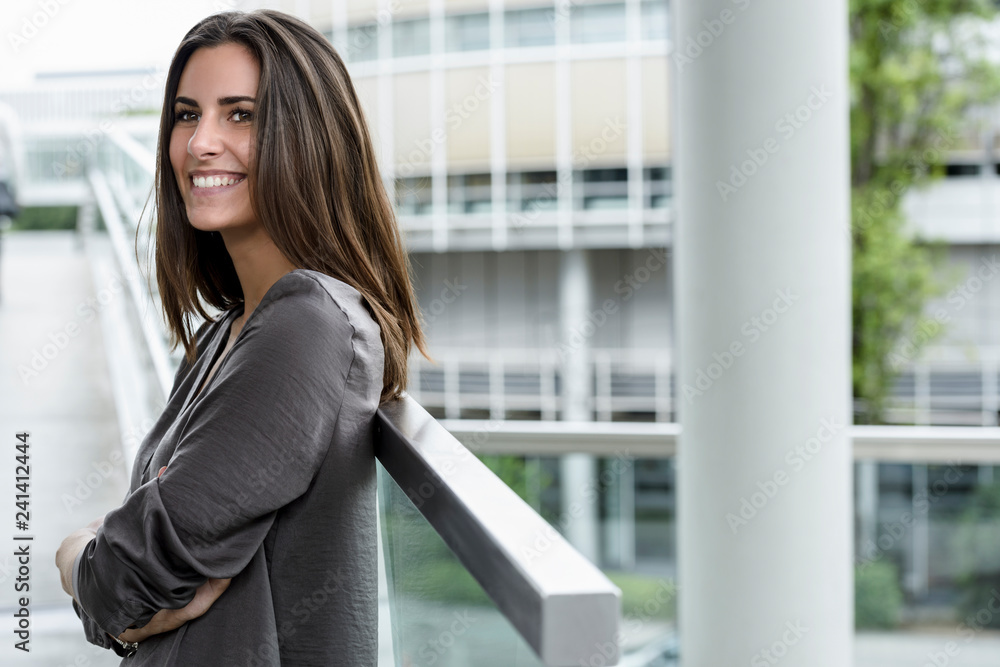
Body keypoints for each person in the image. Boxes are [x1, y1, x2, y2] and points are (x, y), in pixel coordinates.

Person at [54, 9, 431, 665]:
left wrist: (73, 556)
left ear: (309, 138)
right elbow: (133, 575)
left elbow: (129, 570)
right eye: (186, 113)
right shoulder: (229, 331)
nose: (199, 142)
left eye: (240, 114)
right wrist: (115, 588)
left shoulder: (309, 323)